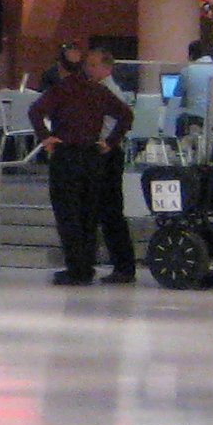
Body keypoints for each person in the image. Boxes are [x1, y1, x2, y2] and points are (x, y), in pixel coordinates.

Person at [29, 44, 136, 284]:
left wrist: (45, 137)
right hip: (93, 156)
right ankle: (87, 265)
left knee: (68, 212)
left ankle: (77, 268)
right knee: (89, 213)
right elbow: (126, 115)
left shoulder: (62, 89)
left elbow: (36, 111)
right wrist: (110, 141)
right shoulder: (98, 90)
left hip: (67, 154)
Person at [176, 40, 213, 135]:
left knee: (177, 118)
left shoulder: (188, 70)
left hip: (195, 118)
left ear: (191, 54)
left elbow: (177, 95)